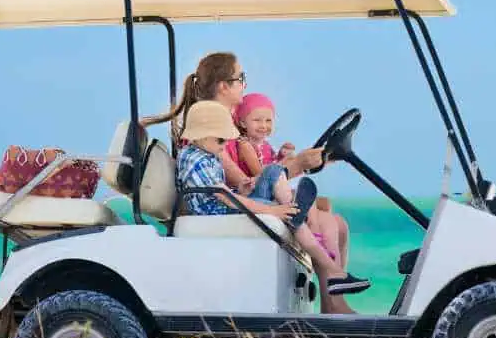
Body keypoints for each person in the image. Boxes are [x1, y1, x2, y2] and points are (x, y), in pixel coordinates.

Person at [141, 51, 356, 312]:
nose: (245, 83)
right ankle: (334, 296)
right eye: (241, 78)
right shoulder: (211, 136)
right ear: (224, 86)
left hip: (244, 196)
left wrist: (298, 163)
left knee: (336, 221)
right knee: (319, 218)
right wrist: (298, 165)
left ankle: (334, 301)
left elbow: (251, 177)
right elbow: (242, 181)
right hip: (232, 204)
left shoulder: (221, 128)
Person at [175, 100, 369, 297]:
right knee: (292, 215)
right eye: (221, 141)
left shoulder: (206, 151)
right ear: (201, 135)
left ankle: (292, 210)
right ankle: (334, 272)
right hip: (219, 210)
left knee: (274, 170)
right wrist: (272, 211)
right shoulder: (196, 160)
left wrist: (242, 186)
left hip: (229, 199)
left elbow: (223, 190)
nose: (224, 145)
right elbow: (223, 199)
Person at [225, 92, 339, 262]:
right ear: (242, 122)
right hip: (257, 192)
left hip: (269, 188)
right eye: (257, 120)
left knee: (325, 203)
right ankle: (314, 238)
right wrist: (291, 162)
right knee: (305, 199)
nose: (263, 125)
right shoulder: (245, 146)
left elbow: (273, 164)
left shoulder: (265, 146)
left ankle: (318, 242)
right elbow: (263, 174)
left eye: (268, 121)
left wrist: (281, 155)